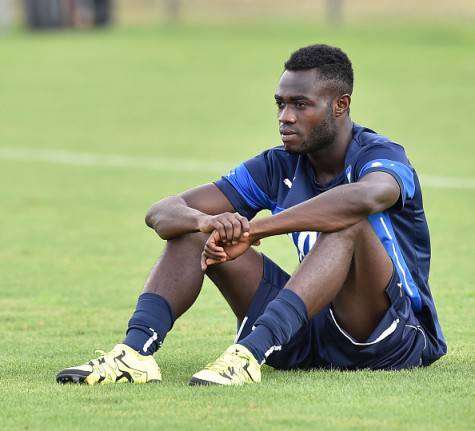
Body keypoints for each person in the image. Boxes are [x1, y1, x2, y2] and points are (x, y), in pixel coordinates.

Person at [57, 44, 447, 386]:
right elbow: (162, 211)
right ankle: (133, 355)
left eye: (300, 105)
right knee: (194, 232)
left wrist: (256, 228)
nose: (285, 117)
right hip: (307, 331)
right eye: (280, 103)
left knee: (347, 224)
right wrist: (206, 223)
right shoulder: (278, 165)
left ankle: (247, 356)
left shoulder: (379, 155)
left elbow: (363, 197)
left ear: (340, 105)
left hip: (388, 337)